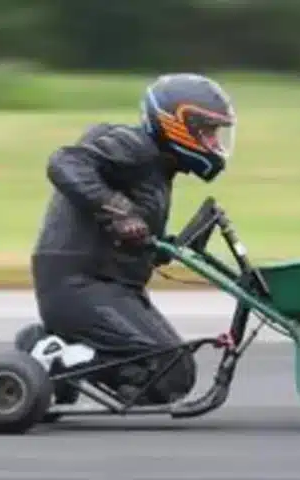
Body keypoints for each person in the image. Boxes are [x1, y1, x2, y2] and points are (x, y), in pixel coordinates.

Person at [30, 73, 237, 405]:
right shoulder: (135, 147)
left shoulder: (160, 166)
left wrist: (161, 244)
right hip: (80, 284)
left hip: (107, 283)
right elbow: (65, 162)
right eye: (208, 131)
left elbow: (130, 236)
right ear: (177, 124)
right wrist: (119, 210)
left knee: (175, 374)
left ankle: (52, 346)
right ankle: (57, 356)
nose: (214, 143)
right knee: (168, 374)